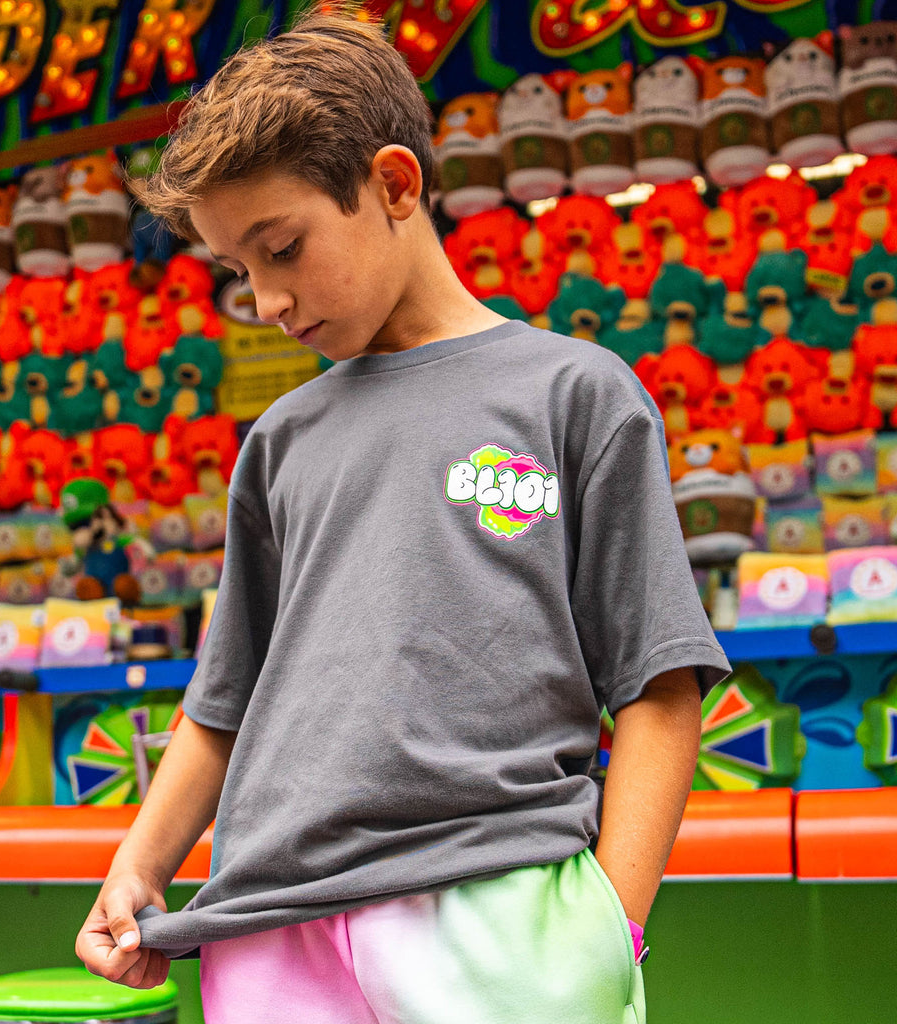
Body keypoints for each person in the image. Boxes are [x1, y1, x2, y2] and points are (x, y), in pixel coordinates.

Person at [75, 8, 732, 1022]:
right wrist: (136, 864)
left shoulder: (574, 394)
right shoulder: (279, 441)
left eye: (281, 247)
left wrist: (611, 921)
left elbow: (660, 680)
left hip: (500, 920)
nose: (264, 300)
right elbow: (222, 703)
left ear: (393, 184)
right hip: (262, 923)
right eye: (237, 269)